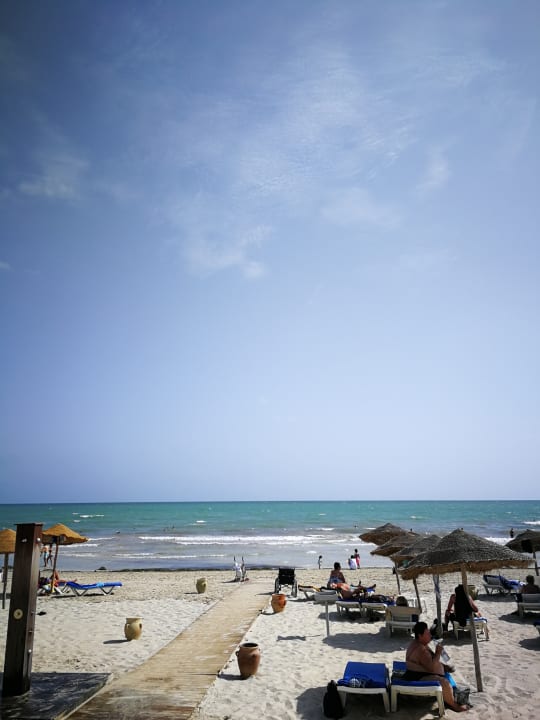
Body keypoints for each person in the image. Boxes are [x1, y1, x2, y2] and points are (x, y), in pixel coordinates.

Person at [405, 621, 469, 712]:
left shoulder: (419, 644)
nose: (430, 635)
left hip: (419, 673)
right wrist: (438, 652)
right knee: (444, 683)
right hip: (417, 677)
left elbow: (430, 660)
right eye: (427, 633)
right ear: (420, 635)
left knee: (446, 676)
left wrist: (443, 666)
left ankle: (450, 696)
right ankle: (454, 705)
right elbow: (431, 667)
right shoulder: (420, 649)